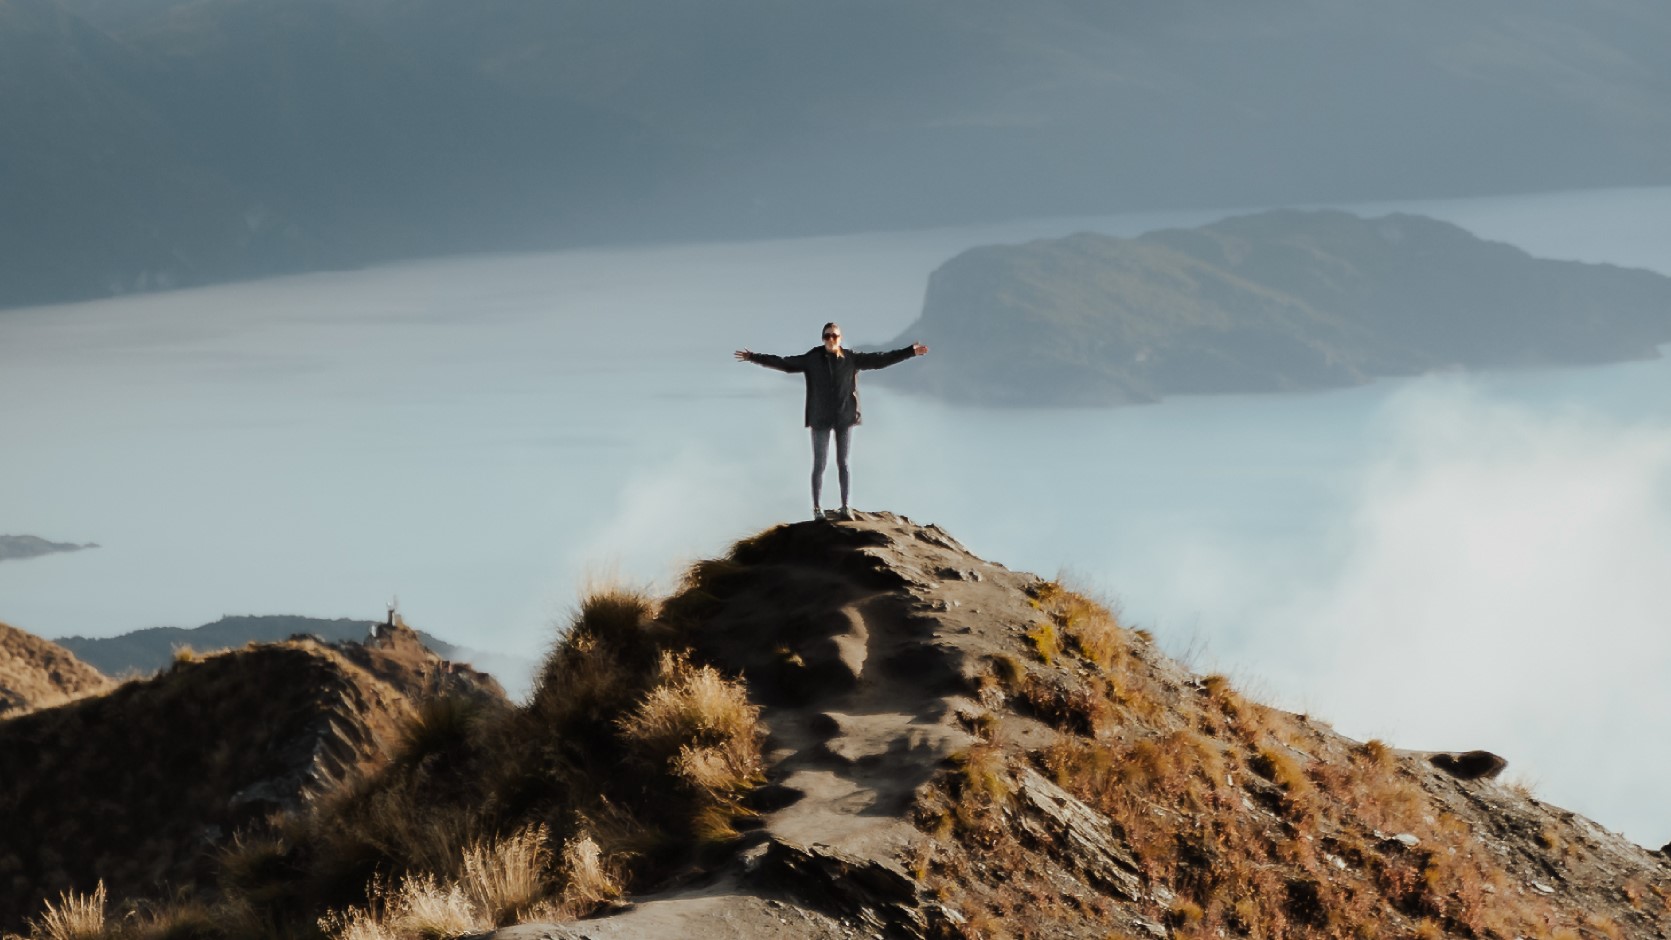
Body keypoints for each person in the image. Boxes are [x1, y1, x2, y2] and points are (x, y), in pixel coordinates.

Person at [735, 323, 928, 521]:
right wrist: (753, 357)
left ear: (840, 338)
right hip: (820, 418)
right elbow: (784, 363)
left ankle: (845, 507)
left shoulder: (851, 358)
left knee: (843, 463)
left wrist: (910, 352)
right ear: (822, 338)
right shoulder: (812, 359)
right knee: (819, 464)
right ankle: (817, 509)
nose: (831, 340)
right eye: (827, 336)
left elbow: (880, 360)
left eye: (834, 336)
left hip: (844, 418)